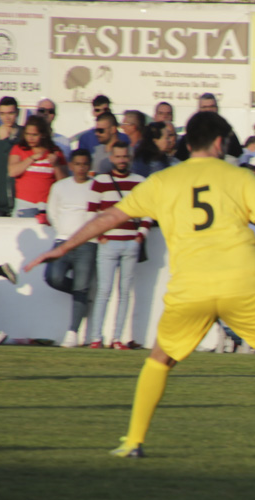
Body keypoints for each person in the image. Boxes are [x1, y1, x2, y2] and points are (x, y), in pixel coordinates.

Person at [26, 112, 255, 456]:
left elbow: (108, 217)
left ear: (187, 143)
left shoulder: (163, 181)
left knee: (159, 360)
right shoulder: (240, 176)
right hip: (245, 285)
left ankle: (132, 441)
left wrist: (64, 248)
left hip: (191, 290)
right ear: (220, 143)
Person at [87, 142, 148, 350]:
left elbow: (149, 210)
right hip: (108, 243)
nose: (122, 160)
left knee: (124, 294)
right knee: (104, 291)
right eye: (119, 157)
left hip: (131, 243)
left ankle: (117, 339)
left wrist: (141, 234)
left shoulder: (140, 182)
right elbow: (91, 212)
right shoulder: (100, 181)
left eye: (125, 157)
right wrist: (100, 235)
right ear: (112, 158)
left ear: (130, 158)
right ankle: (96, 337)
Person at [44, 149, 99, 347]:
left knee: (81, 286)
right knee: (53, 277)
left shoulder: (97, 186)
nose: (81, 168)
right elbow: (53, 212)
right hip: (63, 241)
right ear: (71, 165)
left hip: (88, 243)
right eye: (78, 164)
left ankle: (72, 333)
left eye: (85, 164)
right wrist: (63, 232)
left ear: (90, 166)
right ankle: (81, 295)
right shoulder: (60, 186)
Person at [9, 115, 68, 223]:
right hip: (24, 205)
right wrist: (31, 158)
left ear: (43, 134)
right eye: (27, 134)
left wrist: (56, 165)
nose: (30, 138)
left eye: (34, 135)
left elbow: (64, 181)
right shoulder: (18, 148)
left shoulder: (55, 151)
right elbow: (12, 171)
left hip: (47, 206)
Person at [175, 93, 243, 162]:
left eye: (212, 106)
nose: (208, 110)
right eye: (204, 107)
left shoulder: (229, 135)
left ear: (217, 109)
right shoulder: (190, 135)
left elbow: (237, 157)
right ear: (199, 110)